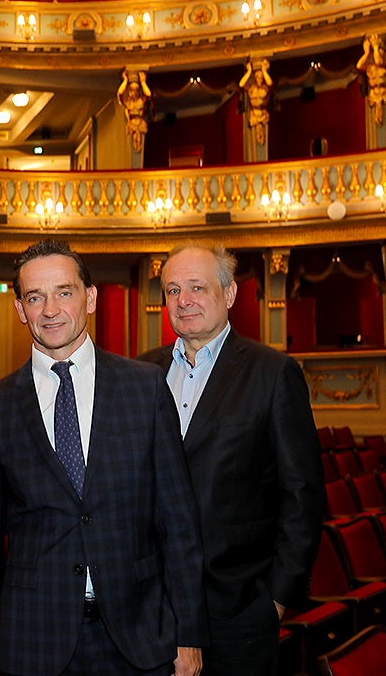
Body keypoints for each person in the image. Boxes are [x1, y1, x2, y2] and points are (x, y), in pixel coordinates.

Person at [0, 240, 207, 676]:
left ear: (90, 298)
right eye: (35, 298)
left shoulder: (146, 389)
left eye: (64, 292)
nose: (50, 309)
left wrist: (188, 635)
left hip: (139, 638)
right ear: (20, 309)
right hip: (33, 643)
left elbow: (179, 523)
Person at [137, 244, 324, 676]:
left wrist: (274, 601)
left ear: (230, 293)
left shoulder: (273, 373)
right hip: (151, 608)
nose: (183, 301)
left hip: (238, 612)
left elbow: (303, 495)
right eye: (172, 290)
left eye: (197, 287)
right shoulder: (141, 373)